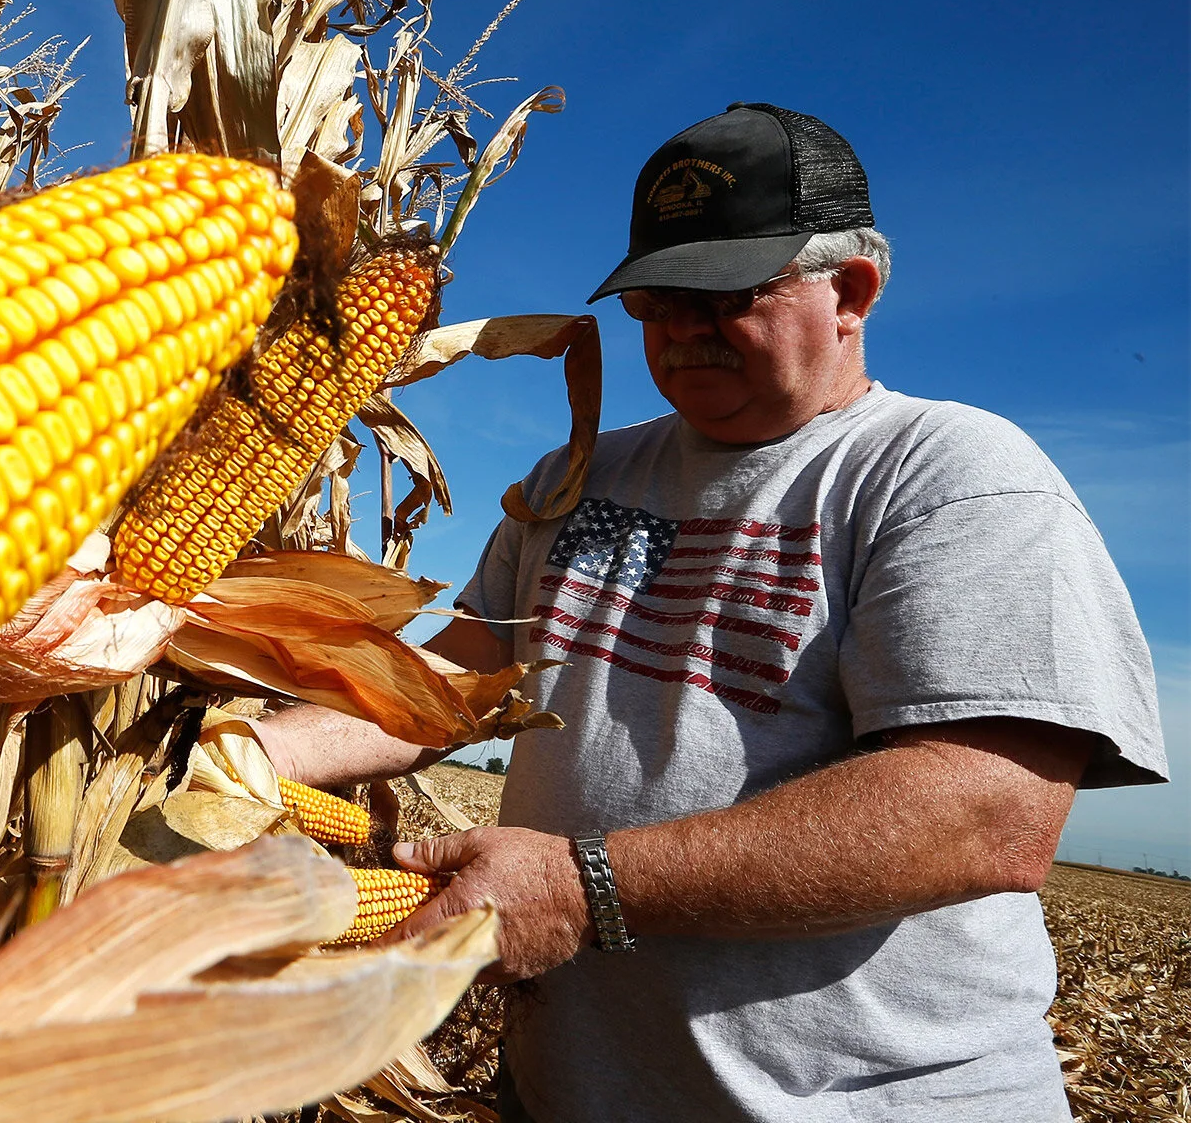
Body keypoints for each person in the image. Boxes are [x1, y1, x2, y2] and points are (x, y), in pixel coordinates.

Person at [251, 102, 1169, 1122]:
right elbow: (443, 686)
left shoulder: (946, 476)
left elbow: (984, 816)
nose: (681, 330)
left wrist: (582, 888)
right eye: (654, 299)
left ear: (850, 291)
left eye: (726, 293)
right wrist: (254, 761)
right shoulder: (572, 476)